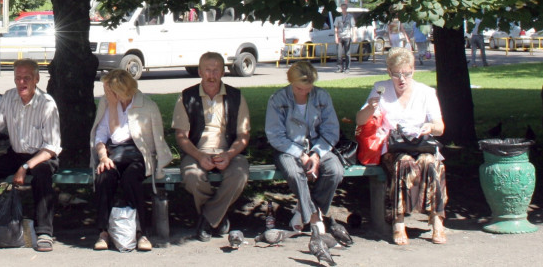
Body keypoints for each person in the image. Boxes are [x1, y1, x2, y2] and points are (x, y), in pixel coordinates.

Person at [355, 47, 447, 245]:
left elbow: (440, 127)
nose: (402, 79)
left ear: (413, 70)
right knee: (404, 163)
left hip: (421, 145)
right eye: (397, 74)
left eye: (407, 73)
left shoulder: (426, 92)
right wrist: (371, 108)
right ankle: (398, 221)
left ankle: (437, 221)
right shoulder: (381, 88)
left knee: (431, 163)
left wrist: (429, 126)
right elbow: (360, 121)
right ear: (389, 72)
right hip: (393, 149)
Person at [0, 59, 62, 252]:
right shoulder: (9, 97)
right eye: (18, 78)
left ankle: (44, 232)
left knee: (42, 174)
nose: (21, 83)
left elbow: (52, 147)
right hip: (16, 154)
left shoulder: (47, 104)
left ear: (36, 79)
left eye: (26, 78)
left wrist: (25, 167)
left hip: (42, 155)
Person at [89, 69, 173, 251]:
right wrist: (103, 156)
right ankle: (103, 232)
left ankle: (141, 232)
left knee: (130, 179)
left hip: (138, 155)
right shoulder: (107, 103)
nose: (105, 92)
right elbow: (101, 135)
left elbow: (123, 135)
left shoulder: (146, 106)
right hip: (113, 154)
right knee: (104, 176)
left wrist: (113, 106)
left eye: (108, 89)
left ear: (120, 90)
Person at [172, 52, 250, 242]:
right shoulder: (186, 97)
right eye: (207, 69)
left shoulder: (236, 97)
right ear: (200, 71)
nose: (212, 75)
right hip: (197, 151)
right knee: (192, 177)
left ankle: (207, 219)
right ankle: (219, 217)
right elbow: (181, 136)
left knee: (239, 175)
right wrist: (199, 156)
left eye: (216, 70)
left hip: (228, 151)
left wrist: (230, 155)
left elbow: (243, 135)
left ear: (223, 72)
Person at [265, 61, 343, 234]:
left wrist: (316, 154)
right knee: (294, 173)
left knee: (335, 170)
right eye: (299, 88)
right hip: (287, 149)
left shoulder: (322, 96)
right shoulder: (278, 99)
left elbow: (331, 131)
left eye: (308, 89)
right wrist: (300, 154)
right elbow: (275, 135)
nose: (304, 92)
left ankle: (302, 209)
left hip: (318, 147)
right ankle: (314, 216)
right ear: (291, 82)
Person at [333, 3, 357, 73]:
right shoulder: (338, 17)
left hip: (347, 36)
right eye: (342, 8)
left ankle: (347, 68)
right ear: (341, 9)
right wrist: (336, 37)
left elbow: (353, 27)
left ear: (346, 8)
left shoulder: (350, 16)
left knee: (347, 53)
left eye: (345, 8)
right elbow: (336, 27)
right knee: (339, 53)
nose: (343, 9)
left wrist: (354, 36)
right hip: (340, 36)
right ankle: (340, 68)